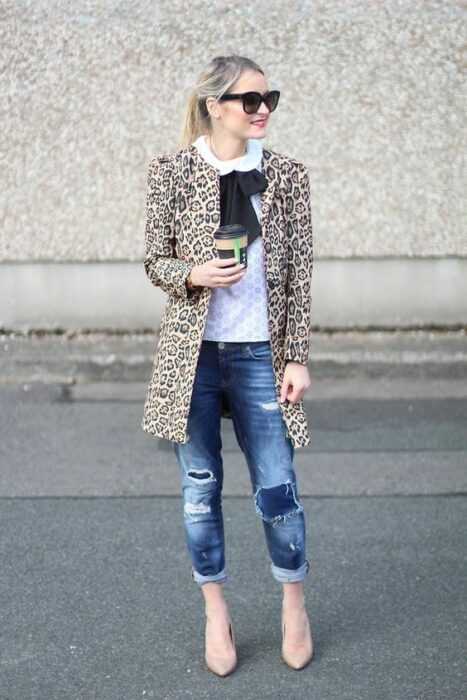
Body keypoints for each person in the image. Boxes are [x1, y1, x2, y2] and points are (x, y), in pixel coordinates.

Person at [141, 54, 314, 676]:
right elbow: (153, 259)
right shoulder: (172, 173)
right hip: (193, 356)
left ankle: (294, 605)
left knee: (277, 487)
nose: (262, 108)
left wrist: (296, 354)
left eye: (269, 96)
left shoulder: (288, 176)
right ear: (216, 106)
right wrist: (191, 273)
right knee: (200, 490)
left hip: (260, 354)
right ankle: (217, 612)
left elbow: (299, 274)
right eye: (249, 99)